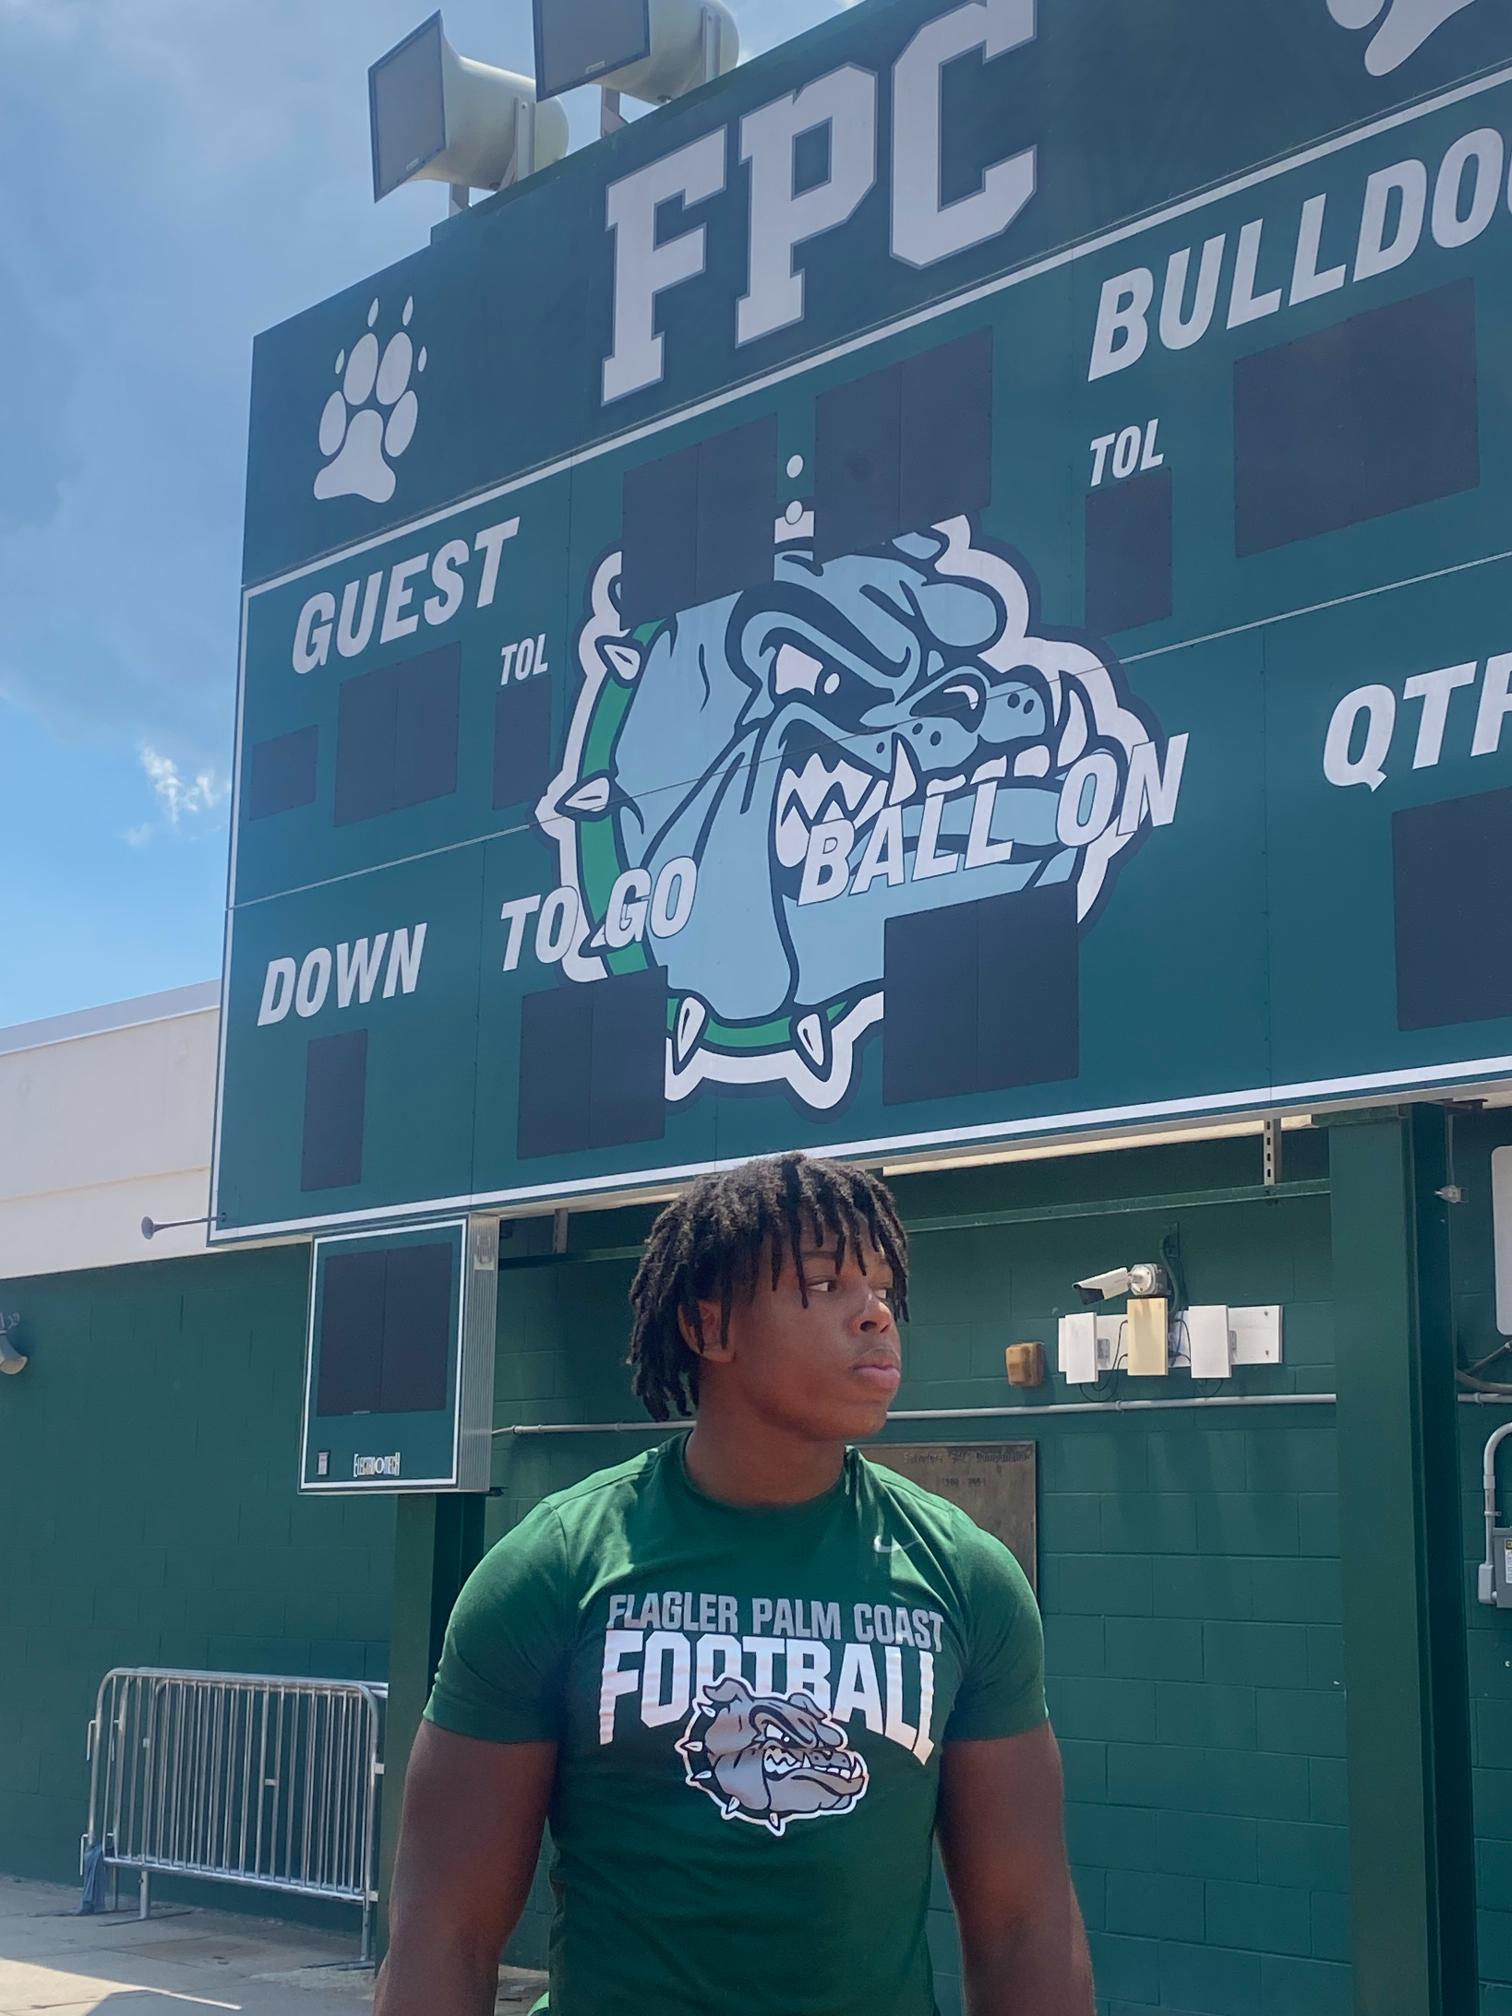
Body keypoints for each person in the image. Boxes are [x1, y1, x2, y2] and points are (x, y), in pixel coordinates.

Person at [374, 1152, 1092, 2016]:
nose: (875, 1315)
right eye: (826, 1284)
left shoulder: (964, 1575)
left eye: (884, 1288)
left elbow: (1024, 1925)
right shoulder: (556, 1567)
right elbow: (444, 1933)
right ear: (709, 1328)